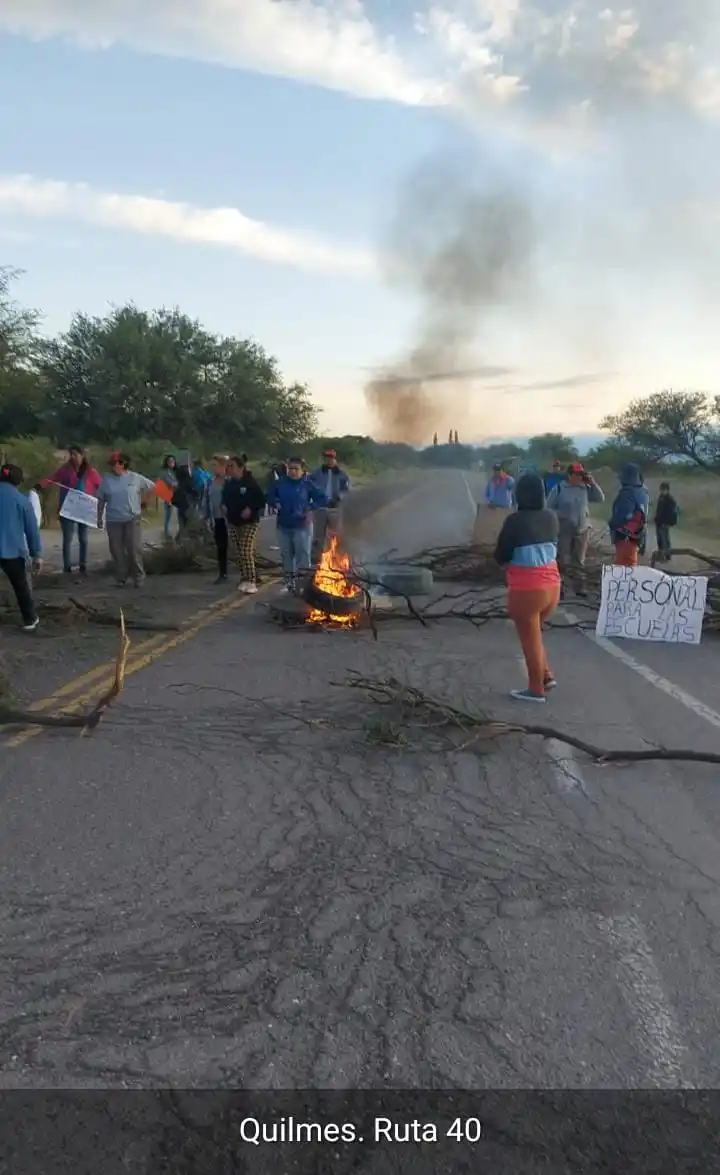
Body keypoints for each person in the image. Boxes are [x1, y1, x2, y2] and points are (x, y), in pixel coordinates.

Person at [494, 473, 560, 704]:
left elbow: (501, 555)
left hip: (527, 590)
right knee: (535, 635)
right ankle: (546, 675)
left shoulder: (515, 521)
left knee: (530, 640)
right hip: (553, 586)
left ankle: (535, 690)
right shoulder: (551, 517)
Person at [266, 456, 327, 593]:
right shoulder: (280, 483)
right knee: (287, 557)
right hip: (283, 526)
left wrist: (311, 508)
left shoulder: (307, 483)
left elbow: (322, 498)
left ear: (302, 470)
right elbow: (269, 496)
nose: (292, 471)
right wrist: (274, 502)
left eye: (296, 469)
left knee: (303, 557)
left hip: (302, 526)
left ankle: (305, 586)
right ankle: (290, 584)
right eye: (290, 468)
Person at [96, 452, 156, 587]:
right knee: (117, 550)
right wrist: (99, 517)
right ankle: (121, 576)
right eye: (113, 464)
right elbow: (101, 499)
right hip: (113, 519)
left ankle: (138, 576)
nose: (116, 466)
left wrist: (145, 502)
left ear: (124, 464)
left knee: (133, 548)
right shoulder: (107, 480)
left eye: (119, 463)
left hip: (132, 518)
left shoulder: (134, 477)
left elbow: (152, 487)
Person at [41, 444, 101, 576]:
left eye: (75, 454)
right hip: (68, 508)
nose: (72, 457)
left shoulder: (91, 471)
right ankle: (67, 567)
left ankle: (83, 566)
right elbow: (53, 478)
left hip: (84, 509)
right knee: (67, 539)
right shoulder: (65, 469)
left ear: (82, 455)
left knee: (83, 538)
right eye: (71, 454)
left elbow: (100, 486)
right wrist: (43, 483)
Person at [546, 462, 605, 597]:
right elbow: (548, 508)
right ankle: (560, 588)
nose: (579, 477)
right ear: (569, 475)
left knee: (579, 560)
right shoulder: (559, 488)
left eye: (581, 474)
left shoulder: (585, 488)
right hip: (564, 530)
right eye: (577, 474)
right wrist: (562, 515)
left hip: (582, 529)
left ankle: (579, 587)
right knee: (562, 559)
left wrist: (592, 482)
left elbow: (600, 498)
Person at [0, 463, 43, 631]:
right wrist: (37, 554)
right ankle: (29, 620)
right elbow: (32, 530)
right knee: (21, 587)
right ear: (18, 481)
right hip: (12, 551)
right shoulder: (22, 501)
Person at [221, 455, 266, 594]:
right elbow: (225, 499)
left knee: (246, 550)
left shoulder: (250, 482)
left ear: (240, 468)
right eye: (227, 466)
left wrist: (250, 508)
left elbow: (261, 499)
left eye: (232, 466)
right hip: (233, 521)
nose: (229, 468)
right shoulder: (229, 484)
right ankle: (244, 577)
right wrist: (223, 506)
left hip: (249, 522)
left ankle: (251, 580)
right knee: (238, 551)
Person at [310, 449, 351, 562]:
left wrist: (339, 497)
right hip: (320, 508)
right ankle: (315, 559)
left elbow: (346, 490)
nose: (329, 460)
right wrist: (312, 501)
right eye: (327, 458)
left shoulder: (342, 474)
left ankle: (337, 559)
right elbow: (309, 487)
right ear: (324, 459)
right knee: (318, 536)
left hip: (335, 509)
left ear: (335, 459)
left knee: (336, 535)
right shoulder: (316, 473)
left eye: (331, 458)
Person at [609, 463, 649, 568]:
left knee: (624, 569)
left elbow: (623, 515)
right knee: (630, 565)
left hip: (625, 537)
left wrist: (612, 523)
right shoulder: (643, 492)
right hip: (637, 535)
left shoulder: (627, 493)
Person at [201, 454, 230, 583]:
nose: (213, 468)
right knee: (221, 547)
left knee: (241, 547)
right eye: (212, 465)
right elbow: (206, 501)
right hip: (216, 519)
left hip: (230, 519)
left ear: (223, 466)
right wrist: (205, 517)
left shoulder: (229, 481)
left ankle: (248, 574)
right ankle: (222, 573)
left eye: (215, 465)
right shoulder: (209, 482)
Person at [654, 482, 679, 563]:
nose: (661, 491)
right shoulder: (661, 498)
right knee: (660, 540)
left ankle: (666, 556)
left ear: (667, 490)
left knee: (665, 540)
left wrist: (669, 522)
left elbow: (673, 513)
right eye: (661, 489)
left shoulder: (670, 500)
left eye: (663, 489)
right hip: (659, 522)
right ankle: (662, 555)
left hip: (665, 523)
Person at [158, 454, 179, 540]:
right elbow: (171, 483)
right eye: (170, 461)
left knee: (177, 513)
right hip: (168, 494)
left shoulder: (174, 471)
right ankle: (166, 530)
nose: (172, 463)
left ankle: (174, 530)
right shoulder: (165, 472)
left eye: (173, 461)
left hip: (176, 494)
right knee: (168, 513)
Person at [173, 465, 197, 531]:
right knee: (188, 523)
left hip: (180, 507)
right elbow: (193, 491)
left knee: (181, 524)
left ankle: (181, 536)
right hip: (188, 505)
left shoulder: (179, 483)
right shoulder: (189, 480)